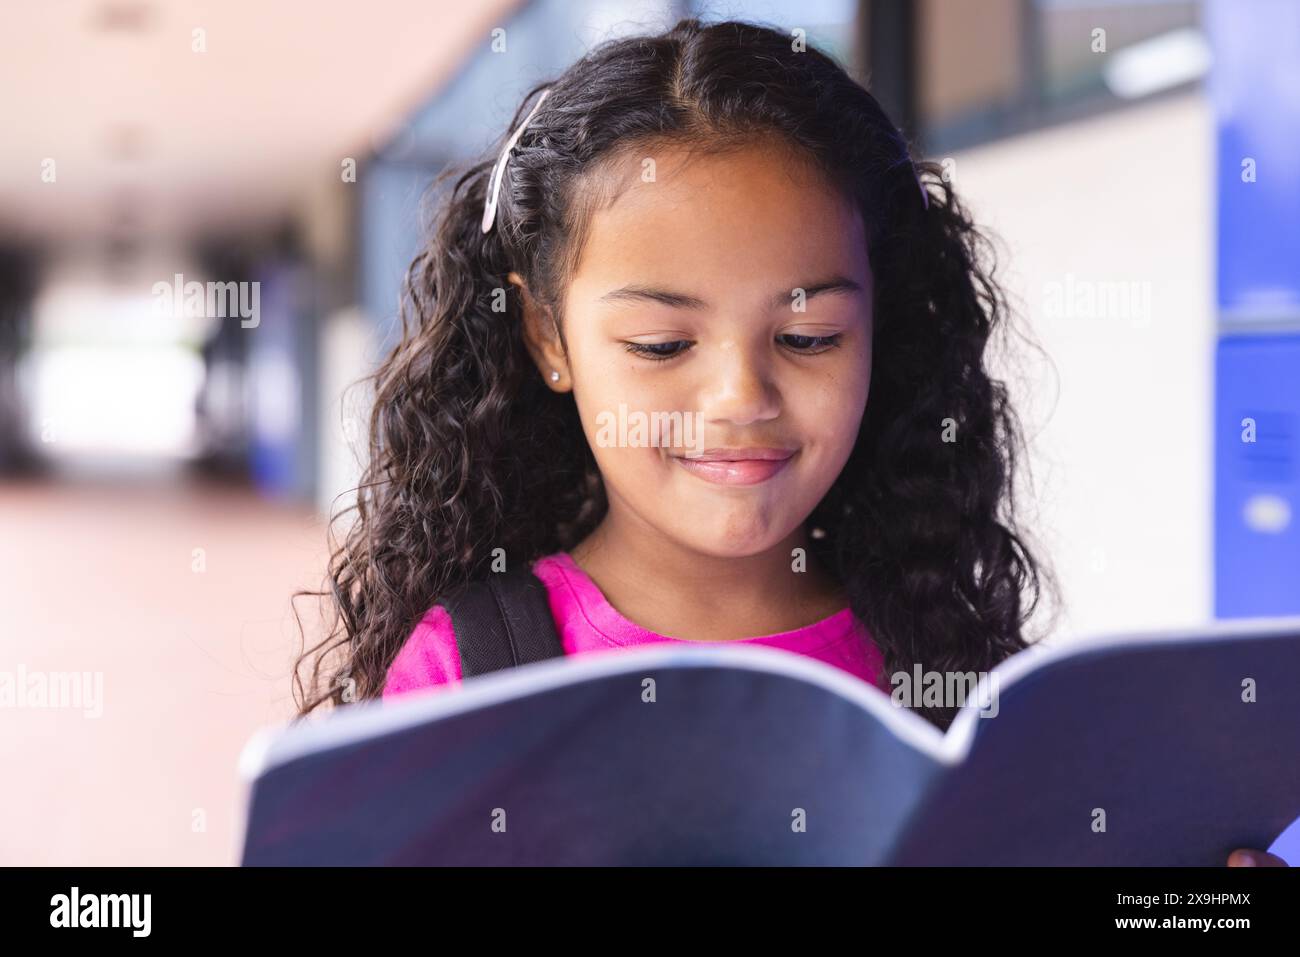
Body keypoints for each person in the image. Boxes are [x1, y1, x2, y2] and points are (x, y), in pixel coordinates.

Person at [291, 17, 1285, 867]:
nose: (738, 396)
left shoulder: (950, 673)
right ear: (549, 339)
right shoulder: (468, 673)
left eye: (808, 338)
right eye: (661, 343)